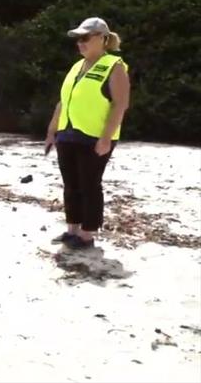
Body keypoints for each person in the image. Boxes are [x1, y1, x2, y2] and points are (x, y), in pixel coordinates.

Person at [44, 17, 130, 249]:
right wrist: (53, 130)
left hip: (94, 137)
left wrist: (105, 138)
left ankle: (87, 234)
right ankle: (72, 229)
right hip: (68, 134)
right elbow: (63, 102)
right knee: (70, 184)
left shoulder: (115, 65)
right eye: (78, 39)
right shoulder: (76, 67)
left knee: (89, 185)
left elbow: (120, 104)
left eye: (85, 38)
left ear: (102, 39)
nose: (80, 43)